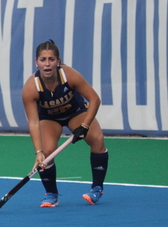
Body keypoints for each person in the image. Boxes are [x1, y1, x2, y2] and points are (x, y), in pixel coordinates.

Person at [22, 39, 109, 207]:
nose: (47, 64)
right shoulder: (30, 88)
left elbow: (94, 99)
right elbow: (33, 122)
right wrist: (38, 152)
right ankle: (51, 195)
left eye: (51, 59)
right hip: (49, 118)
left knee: (97, 139)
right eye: (43, 60)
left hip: (76, 113)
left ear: (58, 61)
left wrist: (84, 126)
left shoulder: (69, 75)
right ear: (36, 62)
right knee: (47, 153)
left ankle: (97, 188)